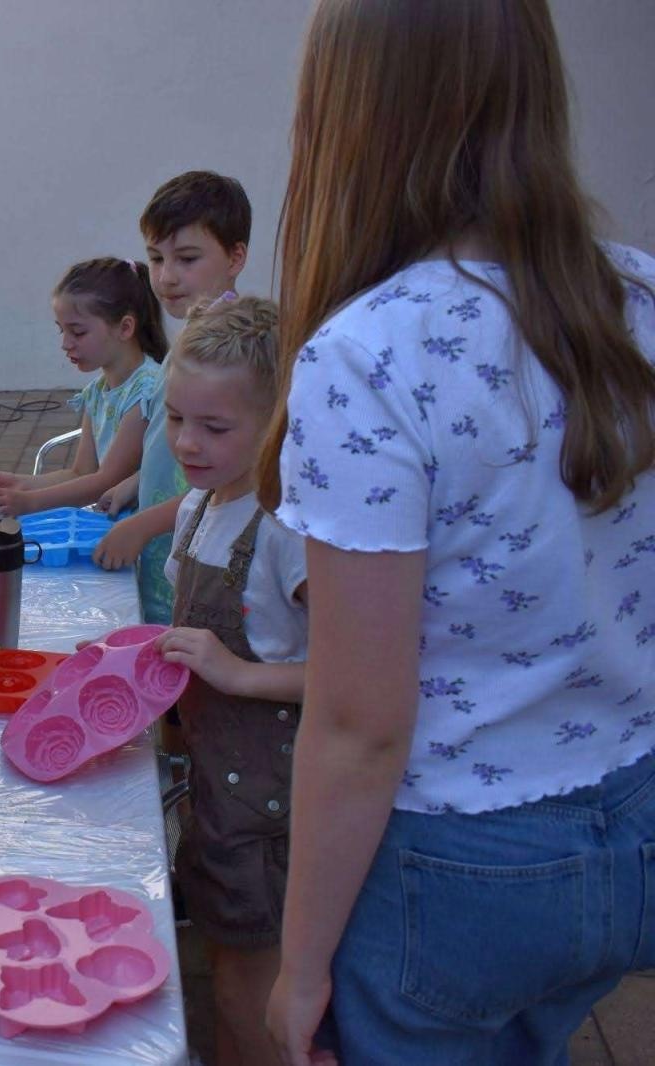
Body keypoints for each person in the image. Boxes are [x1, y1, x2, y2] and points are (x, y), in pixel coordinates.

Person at [261, 2, 655, 1063]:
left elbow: (359, 724)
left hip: (459, 867)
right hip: (632, 816)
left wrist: (300, 966)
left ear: (349, 111)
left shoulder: (365, 353)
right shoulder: (639, 294)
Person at [156, 296, 306, 1066]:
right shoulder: (198, 504)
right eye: (176, 418)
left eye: (215, 427)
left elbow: (361, 676)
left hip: (272, 802)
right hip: (216, 785)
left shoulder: (286, 527)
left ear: (278, 420)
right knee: (223, 966)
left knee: (255, 992)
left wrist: (238, 674)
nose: (187, 442)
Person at [95, 171, 251, 626]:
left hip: (198, 555)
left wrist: (143, 524)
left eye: (186, 259)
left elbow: (236, 477)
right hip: (169, 539)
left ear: (235, 257)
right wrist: (137, 481)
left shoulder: (230, 353)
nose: (165, 277)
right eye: (156, 258)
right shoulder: (193, 335)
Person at [0, 258, 168, 516]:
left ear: (125, 328)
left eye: (77, 332)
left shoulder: (146, 392)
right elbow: (80, 472)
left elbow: (107, 481)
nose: (65, 344)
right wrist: (21, 484)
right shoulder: (97, 391)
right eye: (62, 331)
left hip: (142, 531)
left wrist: (29, 502)